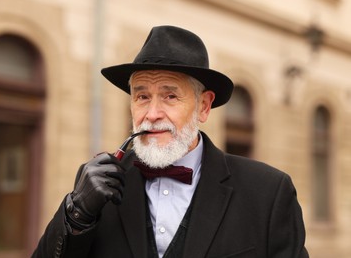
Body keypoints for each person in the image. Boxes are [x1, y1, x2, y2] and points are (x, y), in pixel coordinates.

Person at [33, 25, 309, 258]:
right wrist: (76, 212)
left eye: (170, 96)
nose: (151, 115)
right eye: (142, 97)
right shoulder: (97, 184)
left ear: (203, 106)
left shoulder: (268, 192)